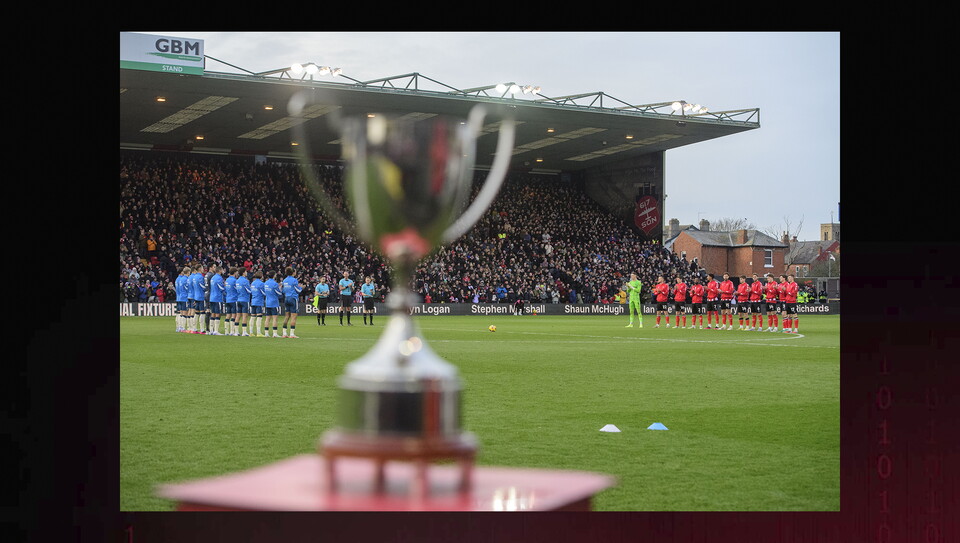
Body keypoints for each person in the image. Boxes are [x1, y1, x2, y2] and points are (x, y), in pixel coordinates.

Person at [281, 266, 302, 338]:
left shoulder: (284, 280)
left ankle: (284, 333)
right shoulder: (294, 280)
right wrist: (301, 287)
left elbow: (283, 291)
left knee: (287, 316)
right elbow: (298, 290)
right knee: (294, 316)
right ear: (293, 272)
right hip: (293, 298)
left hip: (286, 298)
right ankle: (292, 334)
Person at [263, 271, 282, 337]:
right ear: (274, 276)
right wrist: (280, 288)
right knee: (274, 318)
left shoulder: (265, 283)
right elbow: (279, 293)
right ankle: (274, 333)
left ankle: (266, 333)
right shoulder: (275, 284)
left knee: (267, 318)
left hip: (267, 302)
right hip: (274, 303)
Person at [208, 264, 225, 335]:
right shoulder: (219, 278)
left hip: (212, 297)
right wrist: (225, 287)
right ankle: (216, 330)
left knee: (213, 313)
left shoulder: (213, 278)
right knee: (218, 313)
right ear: (220, 270)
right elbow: (221, 288)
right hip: (217, 298)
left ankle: (211, 330)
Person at [190, 264, 207, 334]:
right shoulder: (200, 277)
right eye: (202, 268)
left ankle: (194, 328)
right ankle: (202, 329)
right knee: (202, 313)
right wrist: (207, 289)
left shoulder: (194, 277)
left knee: (196, 313)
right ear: (200, 269)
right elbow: (203, 287)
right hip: (201, 296)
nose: (203, 269)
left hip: (196, 296)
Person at [235, 267, 252, 336]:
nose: (246, 273)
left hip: (238, 299)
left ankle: (236, 332)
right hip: (245, 300)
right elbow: (249, 291)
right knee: (245, 316)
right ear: (243, 272)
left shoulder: (237, 280)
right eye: (246, 271)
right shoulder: (245, 281)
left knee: (238, 315)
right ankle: (244, 332)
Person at [250, 270, 266, 337]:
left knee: (252, 317)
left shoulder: (253, 283)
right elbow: (264, 293)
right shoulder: (261, 284)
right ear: (261, 276)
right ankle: (258, 332)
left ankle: (251, 332)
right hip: (259, 301)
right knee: (259, 317)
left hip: (253, 301)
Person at [175, 266, 191, 332]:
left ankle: (179, 327)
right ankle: (183, 327)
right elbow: (187, 288)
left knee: (180, 313)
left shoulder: (178, 279)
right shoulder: (185, 279)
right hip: (184, 297)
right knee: (185, 312)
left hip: (179, 297)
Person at [224, 267, 238, 336]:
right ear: (235, 272)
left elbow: (225, 289)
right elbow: (237, 290)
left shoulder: (227, 280)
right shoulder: (235, 280)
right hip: (234, 299)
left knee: (228, 315)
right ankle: (232, 331)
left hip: (228, 299)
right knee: (233, 315)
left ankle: (226, 331)